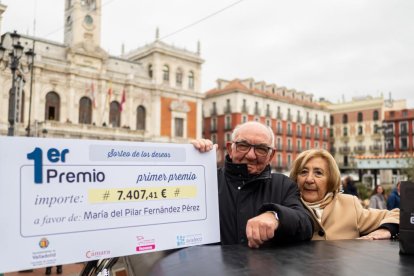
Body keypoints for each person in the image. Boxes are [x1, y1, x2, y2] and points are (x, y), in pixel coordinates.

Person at [192, 121, 313, 248]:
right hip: (211, 267)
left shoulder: (283, 185)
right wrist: (190, 159)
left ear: (270, 156)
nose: (251, 155)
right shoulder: (206, 179)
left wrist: (276, 216)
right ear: (230, 149)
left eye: (261, 149)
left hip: (263, 267)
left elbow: (306, 224)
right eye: (243, 145)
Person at [289, 149, 399, 240]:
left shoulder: (349, 205)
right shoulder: (286, 207)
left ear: (330, 180)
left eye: (318, 173)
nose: (309, 179)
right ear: (296, 178)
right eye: (303, 172)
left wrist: (385, 230)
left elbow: (398, 215)